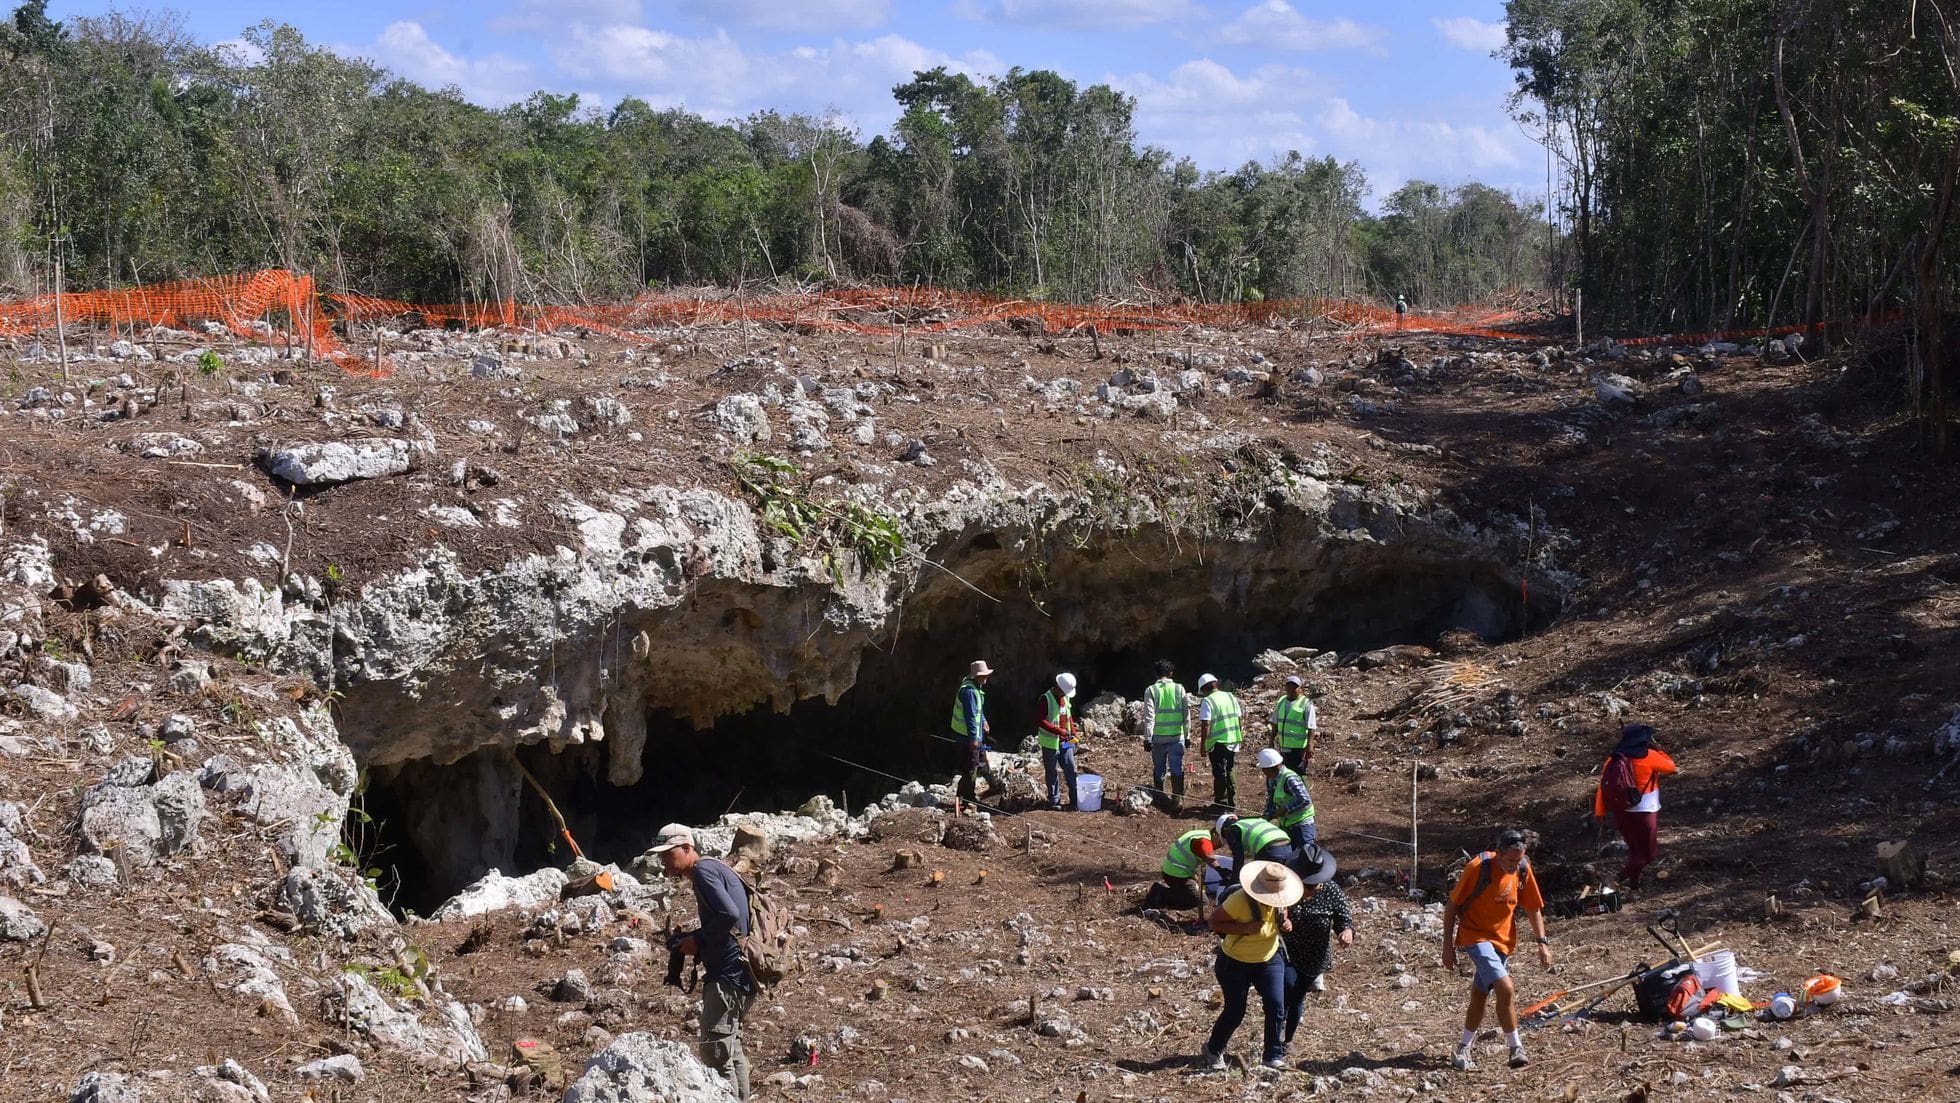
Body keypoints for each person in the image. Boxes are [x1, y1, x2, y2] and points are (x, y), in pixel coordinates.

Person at [650, 824, 755, 1099]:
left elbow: (729, 915)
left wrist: (698, 941)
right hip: (741, 970)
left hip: (728, 974)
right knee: (731, 1049)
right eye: (661, 855)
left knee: (715, 1053)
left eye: (668, 853)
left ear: (687, 848)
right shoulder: (713, 867)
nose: (663, 860)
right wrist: (695, 937)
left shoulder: (703, 872)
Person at [1441, 829, 1552, 1071]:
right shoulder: (1478, 867)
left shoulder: (1523, 869)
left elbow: (1533, 907)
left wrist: (1542, 942)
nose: (1514, 865)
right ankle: (1515, 1047)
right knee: (1506, 987)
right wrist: (1447, 946)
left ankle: (1462, 1048)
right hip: (1475, 936)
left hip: (1503, 941)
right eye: (1510, 860)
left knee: (1480, 995)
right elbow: (1452, 906)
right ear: (1498, 853)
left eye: (1518, 859)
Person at [1198, 860, 1303, 1072]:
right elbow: (1214, 923)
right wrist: (1245, 928)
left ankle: (1272, 1055)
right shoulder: (1239, 900)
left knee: (1276, 1006)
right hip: (1235, 961)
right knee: (1235, 1011)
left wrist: (1286, 923)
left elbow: (1283, 914)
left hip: (1269, 958)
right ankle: (1213, 1048)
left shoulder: (1281, 897)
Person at [1279, 844, 1353, 1047]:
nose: (1312, 889)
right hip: (1286, 951)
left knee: (1297, 996)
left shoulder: (1330, 890)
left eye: (1315, 885)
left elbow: (1343, 917)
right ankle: (1275, 1035)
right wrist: (1283, 920)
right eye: (1308, 885)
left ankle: (1287, 1040)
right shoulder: (1284, 888)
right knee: (1286, 989)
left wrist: (1346, 931)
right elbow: (1274, 911)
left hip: (1315, 956)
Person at [1594, 722, 1678, 889]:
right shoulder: (1649, 756)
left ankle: (1634, 885)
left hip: (1620, 812)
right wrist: (1660, 751)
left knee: (1635, 851)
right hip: (1645, 812)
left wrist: (1600, 811)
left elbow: (1603, 787)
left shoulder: (1613, 759)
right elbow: (1671, 767)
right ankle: (1617, 879)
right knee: (1649, 854)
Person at [950, 660, 998, 815]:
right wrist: (973, 739)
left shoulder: (975, 687)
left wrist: (983, 721)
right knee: (971, 767)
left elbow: (978, 710)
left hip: (974, 734)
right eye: (983, 675)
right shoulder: (969, 691)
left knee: (980, 761)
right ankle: (967, 799)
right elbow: (970, 716)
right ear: (976, 676)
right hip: (966, 737)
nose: (986, 677)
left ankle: (986, 789)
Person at [1143, 824, 1220, 917]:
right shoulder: (1204, 841)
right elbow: (1210, 858)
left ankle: (1169, 893)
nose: (1221, 845)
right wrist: (1220, 870)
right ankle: (1161, 893)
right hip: (1177, 874)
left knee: (1195, 894)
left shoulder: (1202, 834)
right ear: (1215, 834)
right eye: (1221, 841)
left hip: (1175, 870)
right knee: (1201, 901)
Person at [1144, 660, 1190, 810]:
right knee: (1177, 767)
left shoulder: (1151, 690)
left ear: (1155, 674)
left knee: (1159, 768)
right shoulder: (1179, 689)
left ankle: (1160, 798)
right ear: (1171, 673)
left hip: (1158, 737)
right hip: (1177, 736)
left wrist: (1147, 738)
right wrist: (1187, 735)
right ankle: (1178, 799)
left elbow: (1149, 717)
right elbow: (1186, 714)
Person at [1195, 673, 1243, 811]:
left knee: (1220, 772)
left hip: (1218, 741)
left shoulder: (1208, 701)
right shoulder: (1230, 696)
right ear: (1215, 684)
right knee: (1230, 769)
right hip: (1233, 738)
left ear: (1203, 689)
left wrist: (1203, 745)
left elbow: (1206, 724)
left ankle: (1221, 803)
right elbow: (1239, 718)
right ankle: (1233, 803)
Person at [1256, 747, 1316, 848]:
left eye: (1263, 769)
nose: (1262, 771)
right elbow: (1271, 798)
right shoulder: (1272, 779)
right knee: (1288, 855)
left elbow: (1305, 800)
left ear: (1270, 768)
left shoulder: (1290, 778)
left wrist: (1285, 809)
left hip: (1302, 825)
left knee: (1307, 854)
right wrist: (1266, 816)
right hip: (1286, 825)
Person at [1037, 672, 1080, 810]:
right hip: (1050, 743)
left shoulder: (1065, 698)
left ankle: (1075, 798)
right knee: (1051, 772)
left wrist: (1074, 732)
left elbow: (1069, 716)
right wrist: (1058, 731)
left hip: (1066, 741)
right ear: (1058, 688)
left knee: (1070, 768)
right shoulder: (1045, 699)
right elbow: (1041, 721)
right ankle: (1054, 801)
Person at [1214, 812, 1296, 872]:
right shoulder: (1252, 821)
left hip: (1269, 848)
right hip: (1287, 845)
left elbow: (1238, 859)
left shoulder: (1232, 829)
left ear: (1224, 830)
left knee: (1261, 883)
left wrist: (1232, 882)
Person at [1270, 674, 1318, 772]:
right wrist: (1271, 740)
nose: (1291, 689)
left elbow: (1311, 726)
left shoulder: (1306, 703)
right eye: (1289, 686)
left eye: (1294, 687)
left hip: (1298, 748)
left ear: (1300, 689)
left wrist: (1310, 745)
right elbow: (1275, 723)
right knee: (1285, 773)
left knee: (1298, 773)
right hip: (1283, 746)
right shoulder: (1281, 701)